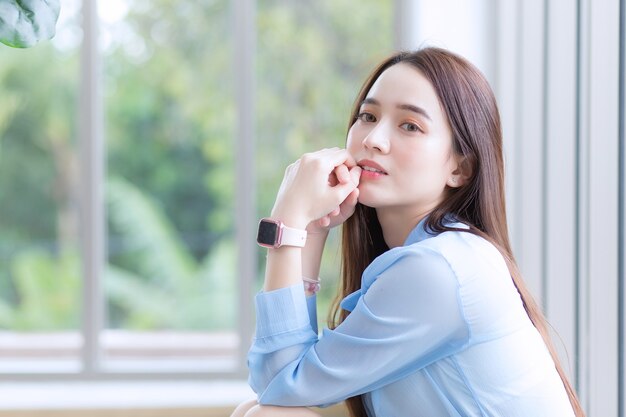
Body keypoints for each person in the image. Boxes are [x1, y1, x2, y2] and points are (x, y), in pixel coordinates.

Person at [231, 47, 585, 417]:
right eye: (368, 116)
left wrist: (288, 221)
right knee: (255, 410)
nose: (374, 140)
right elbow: (280, 383)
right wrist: (315, 227)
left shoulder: (439, 270)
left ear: (460, 169)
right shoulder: (437, 256)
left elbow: (279, 381)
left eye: (410, 126)